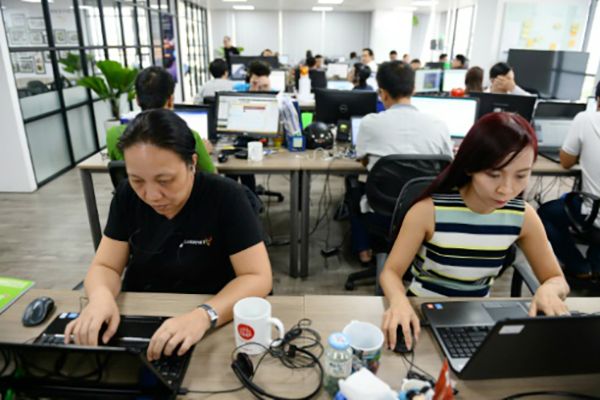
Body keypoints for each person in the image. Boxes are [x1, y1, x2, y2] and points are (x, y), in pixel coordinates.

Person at [65, 109, 273, 360]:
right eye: (137, 180)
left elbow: (258, 277)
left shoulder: (226, 197)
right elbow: (105, 265)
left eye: (165, 180)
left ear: (192, 163)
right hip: (143, 313)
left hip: (211, 316)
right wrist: (100, 298)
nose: (152, 196)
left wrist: (203, 315)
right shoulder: (126, 196)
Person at [380, 112, 570, 351]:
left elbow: (557, 279)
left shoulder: (523, 217)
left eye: (521, 175)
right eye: (493, 175)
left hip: (478, 316)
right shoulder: (428, 211)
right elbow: (391, 272)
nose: (506, 189)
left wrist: (550, 289)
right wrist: (399, 300)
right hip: (422, 311)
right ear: (470, 166)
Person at [351, 61, 453, 263]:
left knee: (352, 186)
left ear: (382, 93)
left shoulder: (370, 123)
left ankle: (364, 251)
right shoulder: (439, 125)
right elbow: (448, 163)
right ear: (414, 89)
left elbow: (362, 159)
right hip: (425, 211)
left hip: (382, 211)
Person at [538, 81, 600, 279]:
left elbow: (565, 162)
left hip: (595, 214)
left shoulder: (586, 118)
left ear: (598, 101)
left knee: (544, 214)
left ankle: (579, 266)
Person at [107, 66, 215, 173]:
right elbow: (213, 177)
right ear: (170, 100)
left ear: (137, 100)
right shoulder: (189, 136)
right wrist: (203, 152)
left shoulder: (113, 135)